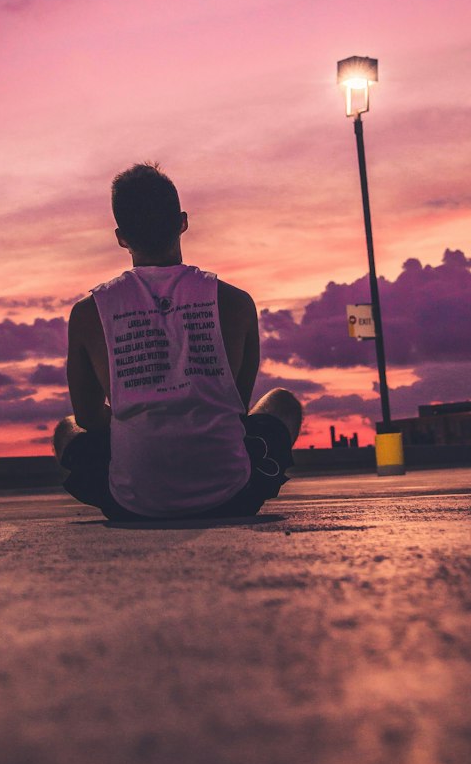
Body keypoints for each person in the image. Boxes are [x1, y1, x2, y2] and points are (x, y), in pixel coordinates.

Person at [54, 162, 302, 521]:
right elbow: (236, 408)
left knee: (67, 428)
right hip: (231, 495)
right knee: (282, 402)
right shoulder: (236, 302)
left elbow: (90, 419)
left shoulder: (89, 312)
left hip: (133, 504)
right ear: (182, 222)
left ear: (121, 237)